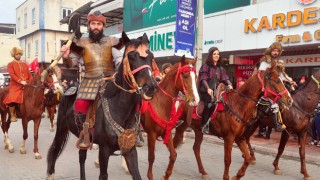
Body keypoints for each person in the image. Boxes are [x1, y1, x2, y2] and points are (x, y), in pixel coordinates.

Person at [62, 11, 160, 149]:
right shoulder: (80, 43)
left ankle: (135, 131)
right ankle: (85, 133)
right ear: (89, 25)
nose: (96, 27)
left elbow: (119, 59)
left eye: (99, 24)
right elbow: (70, 65)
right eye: (93, 24)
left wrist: (121, 71)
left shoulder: (111, 42)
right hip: (89, 80)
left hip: (110, 79)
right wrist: (65, 57)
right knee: (80, 104)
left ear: (103, 26)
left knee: (136, 100)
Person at [198, 47, 233, 134]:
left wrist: (230, 84)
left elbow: (225, 78)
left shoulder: (221, 68)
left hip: (217, 91)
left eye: (218, 54)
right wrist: (208, 89)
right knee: (209, 104)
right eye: (214, 54)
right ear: (210, 55)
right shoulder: (205, 66)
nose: (216, 55)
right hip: (206, 90)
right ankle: (204, 125)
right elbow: (203, 79)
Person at [3, 47, 33, 122]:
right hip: (15, 85)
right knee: (13, 97)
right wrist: (20, 81)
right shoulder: (10, 64)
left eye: (19, 54)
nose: (19, 55)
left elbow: (29, 75)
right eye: (17, 54)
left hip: (26, 84)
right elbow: (12, 75)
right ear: (14, 55)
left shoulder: (25, 65)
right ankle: (12, 114)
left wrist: (30, 82)